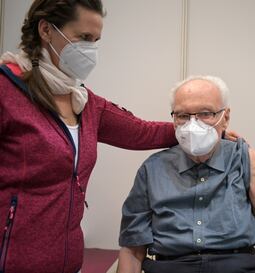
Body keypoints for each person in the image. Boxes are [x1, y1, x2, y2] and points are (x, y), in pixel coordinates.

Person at [0, 1, 180, 273]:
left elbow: (142, 132)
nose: (90, 50)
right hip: (13, 262)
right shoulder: (7, 91)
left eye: (95, 40)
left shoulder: (84, 101)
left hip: (70, 262)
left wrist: (202, 128)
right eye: (84, 38)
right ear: (46, 30)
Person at [117, 76, 255, 273]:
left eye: (205, 114)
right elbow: (132, 248)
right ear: (173, 119)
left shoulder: (243, 159)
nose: (193, 125)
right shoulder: (153, 169)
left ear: (226, 118)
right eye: (182, 116)